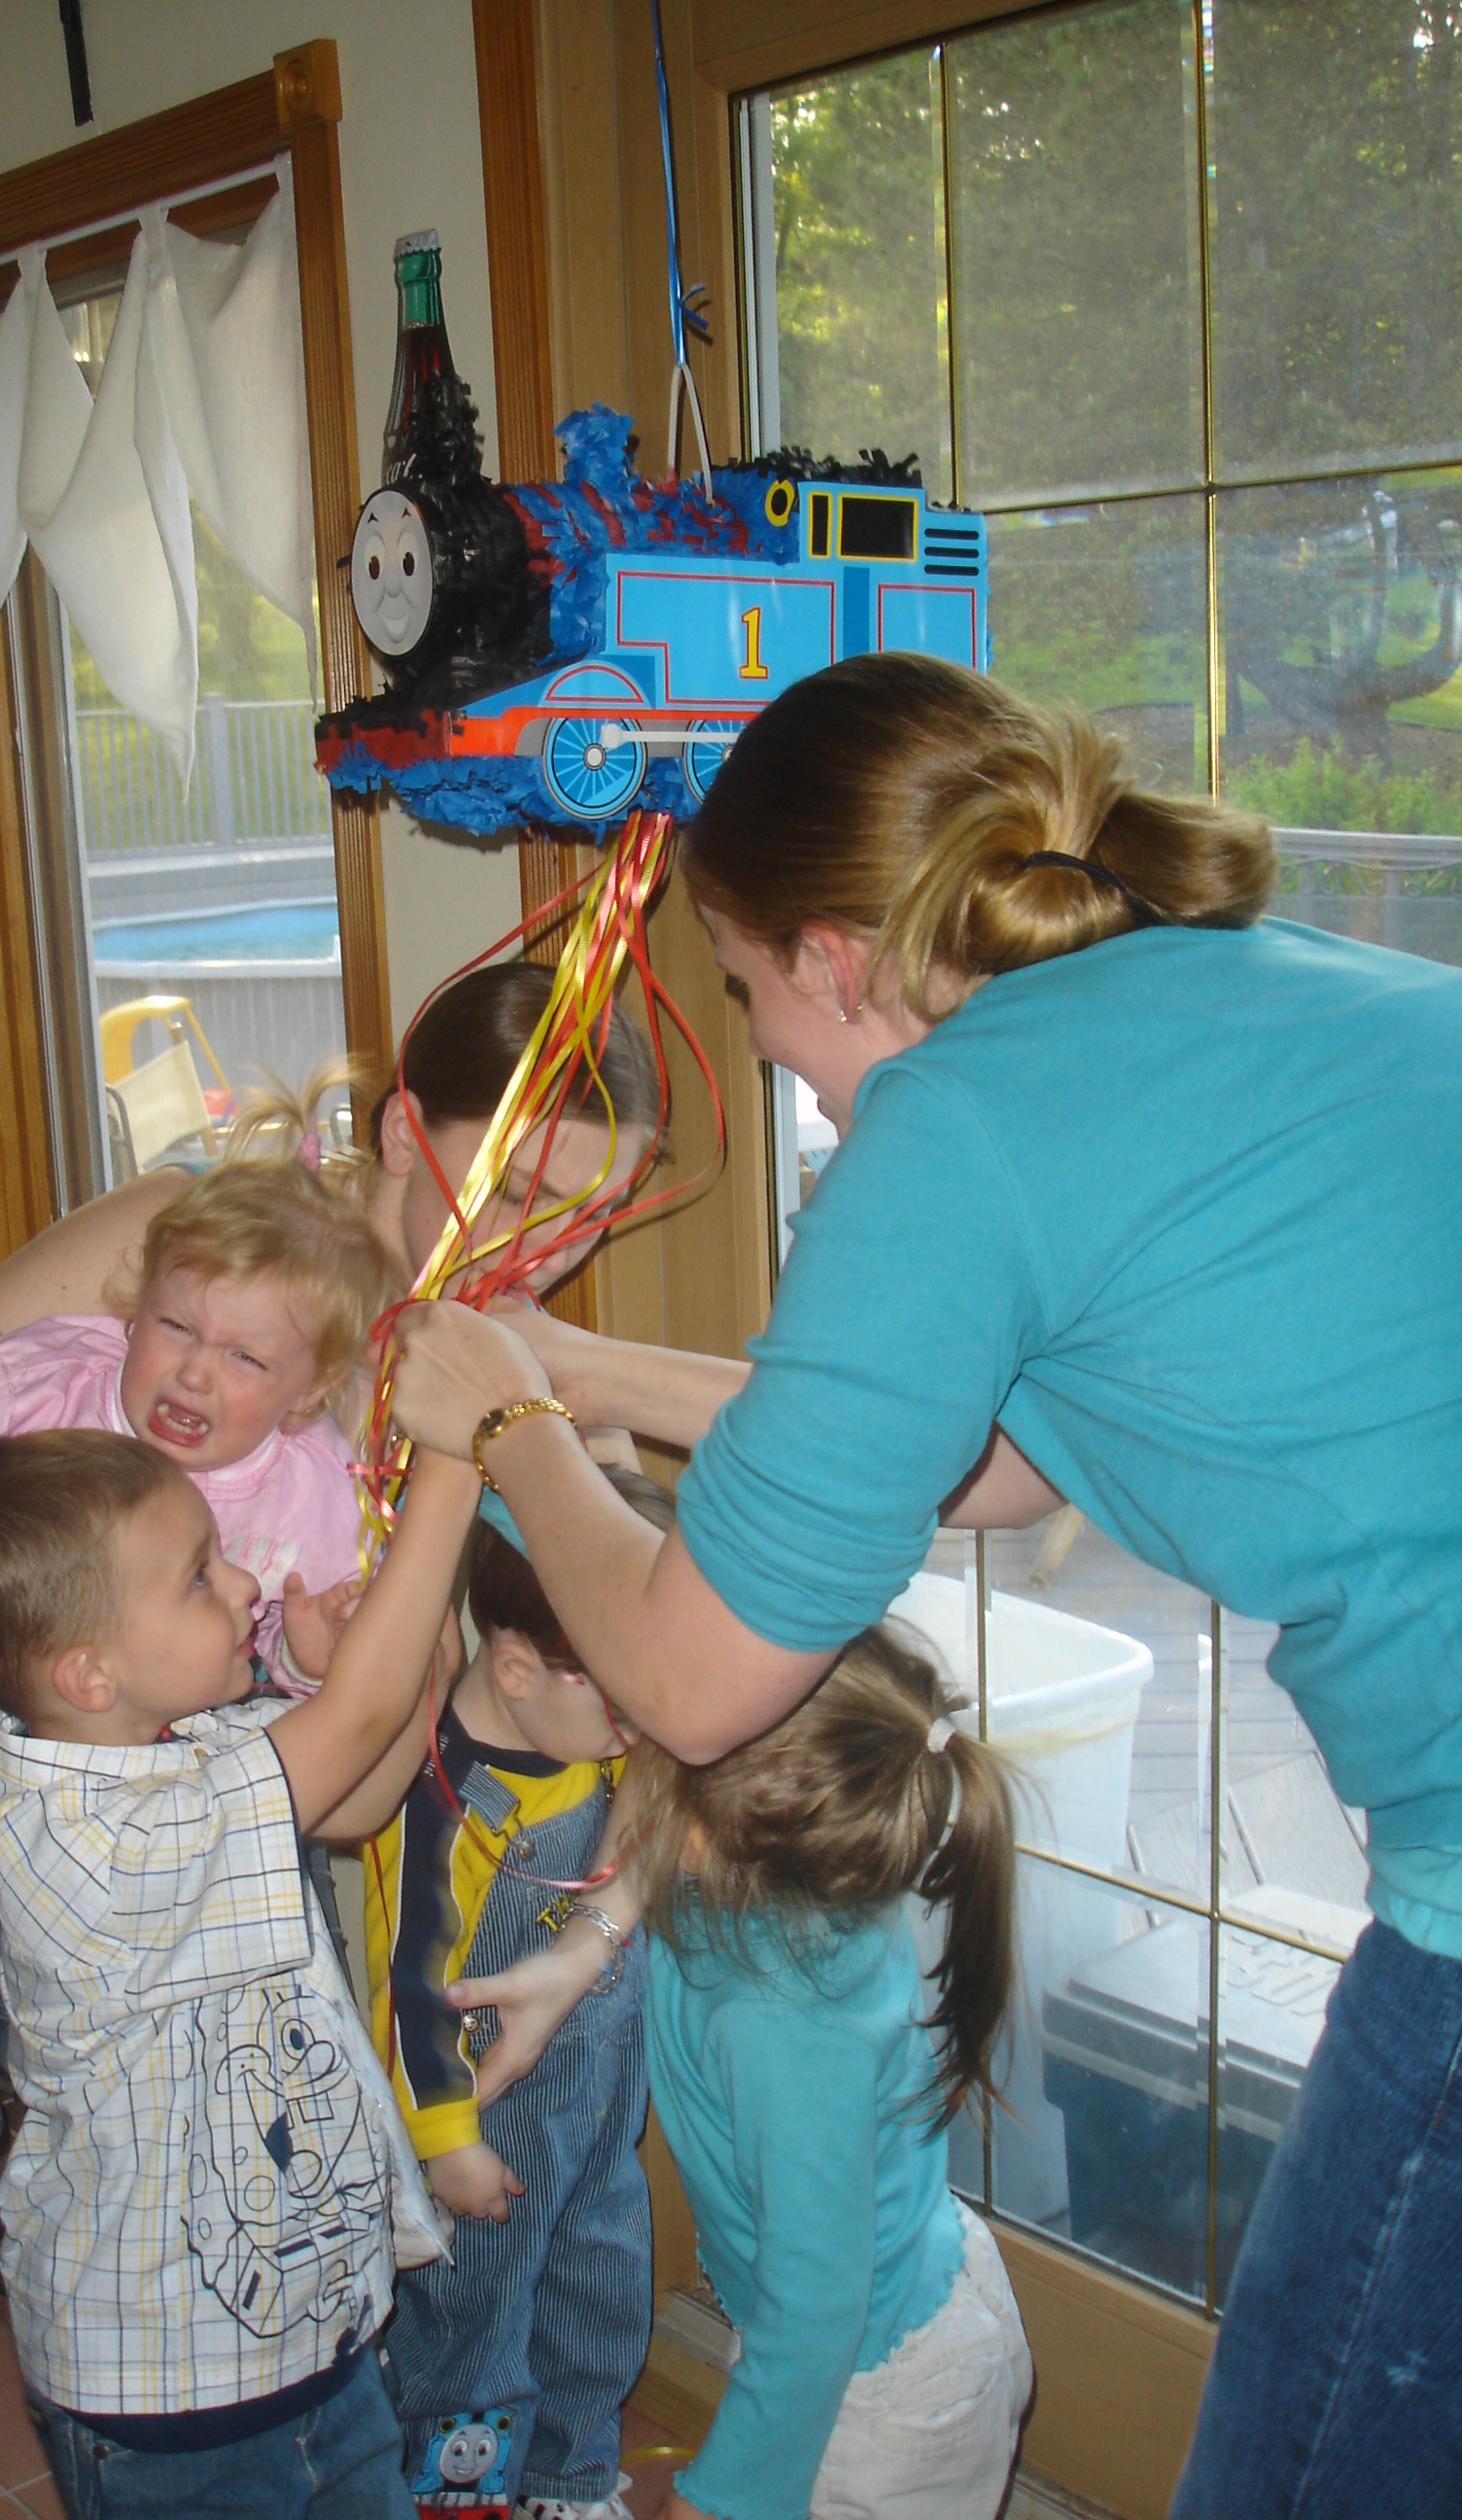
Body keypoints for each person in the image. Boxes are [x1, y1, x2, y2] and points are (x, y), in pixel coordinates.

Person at [389, 652, 1462, 2520]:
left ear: (827, 956)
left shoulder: (953, 1115)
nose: (766, 1052)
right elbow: (981, 1452)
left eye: (741, 992)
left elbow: (688, 1676)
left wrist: (506, 1425)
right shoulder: (1256, 985)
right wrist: (574, 1365)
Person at [0, 1152, 398, 2288]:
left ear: (307, 1391)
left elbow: (291, 1668)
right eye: (174, 1327)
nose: (193, 1372)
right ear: (134, 1306)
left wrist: (306, 1656)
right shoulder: (35, 1388)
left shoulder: (315, 1490)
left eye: (245, 1359)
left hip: (147, 1789)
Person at [0, 1425, 481, 2520]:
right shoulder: (90, 1836)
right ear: (91, 1673)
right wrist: (453, 1462)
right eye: (199, 1576)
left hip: (311, 2342)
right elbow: (353, 1721)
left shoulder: (174, 1739)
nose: (244, 1584)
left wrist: (424, 1660)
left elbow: (356, 1797)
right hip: (166, 2393)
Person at [0, 962, 662, 1524]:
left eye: (592, 1219)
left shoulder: (511, 1348)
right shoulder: (186, 1243)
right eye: (516, 1195)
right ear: (402, 1135)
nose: (550, 1254)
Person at [627, 1623, 1029, 2520]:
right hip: (902, 2299)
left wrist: (719, 2497)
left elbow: (815, 2306)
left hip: (871, 2393)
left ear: (699, 1836)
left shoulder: (779, 2024)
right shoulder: (809, 1878)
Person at [368, 1474, 671, 2520]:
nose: (646, 1720)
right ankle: (465, 2496)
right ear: (517, 1669)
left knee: (600, 2291)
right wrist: (446, 2139)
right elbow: (407, 1986)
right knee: (474, 2325)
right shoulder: (447, 1803)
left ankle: (570, 2479)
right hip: (486, 2129)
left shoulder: (588, 1736)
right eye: (625, 1696)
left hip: (597, 2111)